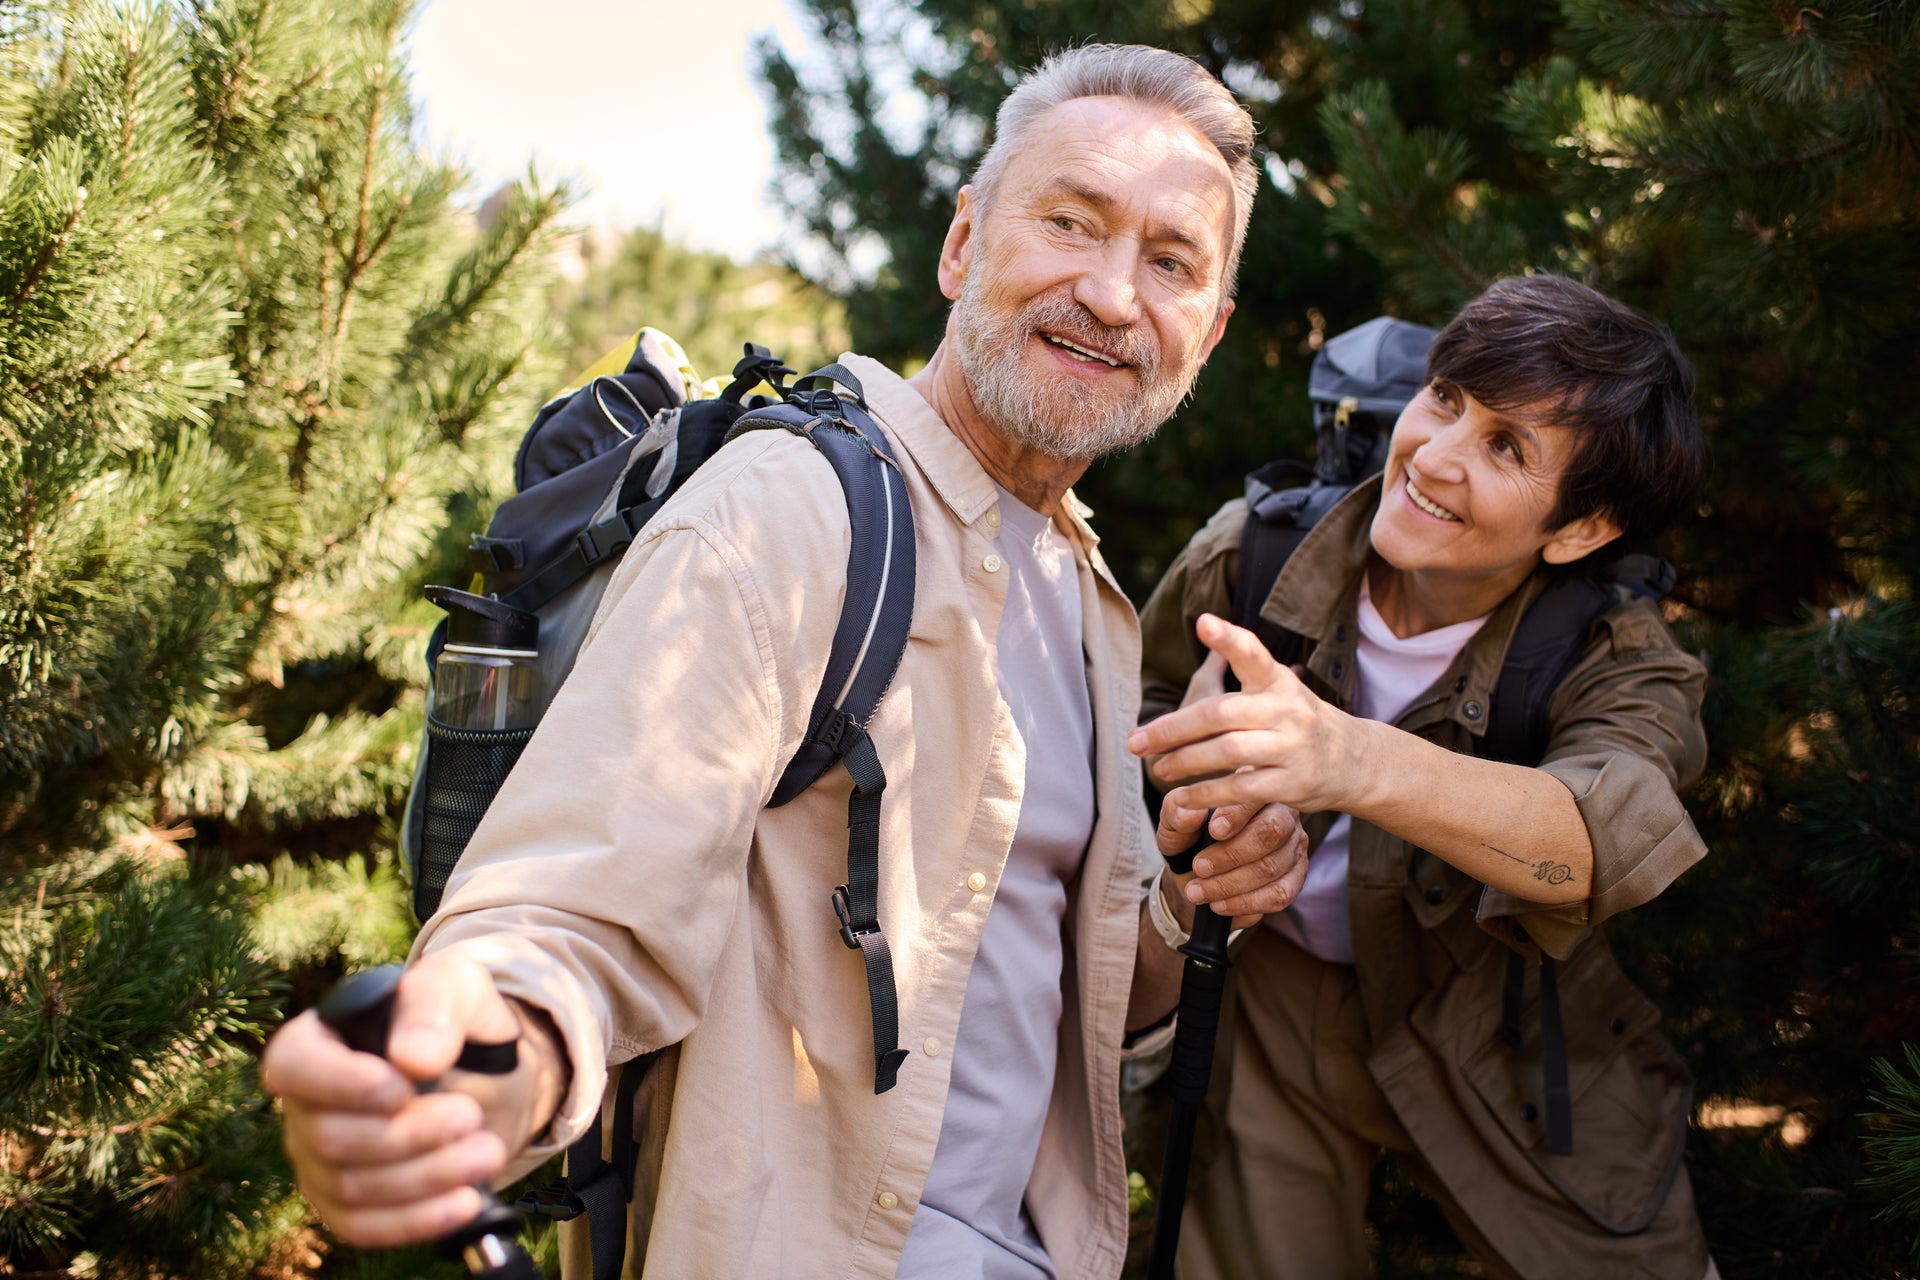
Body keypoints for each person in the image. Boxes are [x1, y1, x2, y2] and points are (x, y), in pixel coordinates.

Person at [261, 44, 1311, 1280]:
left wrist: (1195, 892)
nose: (1116, 293)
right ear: (963, 245)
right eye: (1070, 222)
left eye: (1172, 262)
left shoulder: (1084, 587)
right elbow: (579, 897)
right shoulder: (793, 509)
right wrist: (474, 1055)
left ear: (1211, 330)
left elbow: (1054, 999)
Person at [1128, 273, 1718, 1279]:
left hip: (1510, 1033)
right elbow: (1129, 719)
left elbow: (1598, 836)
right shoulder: (1259, 551)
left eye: (1506, 447)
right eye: (1446, 398)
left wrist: (1345, 757)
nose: (1433, 458)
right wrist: (1194, 807)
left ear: (1581, 527)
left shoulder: (1619, 655)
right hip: (1270, 996)